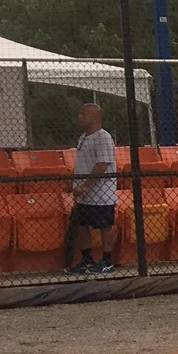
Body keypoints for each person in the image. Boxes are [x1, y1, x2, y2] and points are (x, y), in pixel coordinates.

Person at [69, 101, 118, 274]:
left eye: (84, 114)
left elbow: (102, 164)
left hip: (101, 193)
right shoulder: (83, 138)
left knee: (106, 225)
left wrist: (86, 185)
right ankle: (87, 260)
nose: (79, 117)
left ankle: (107, 260)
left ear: (95, 117)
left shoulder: (103, 137)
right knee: (82, 225)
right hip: (84, 195)